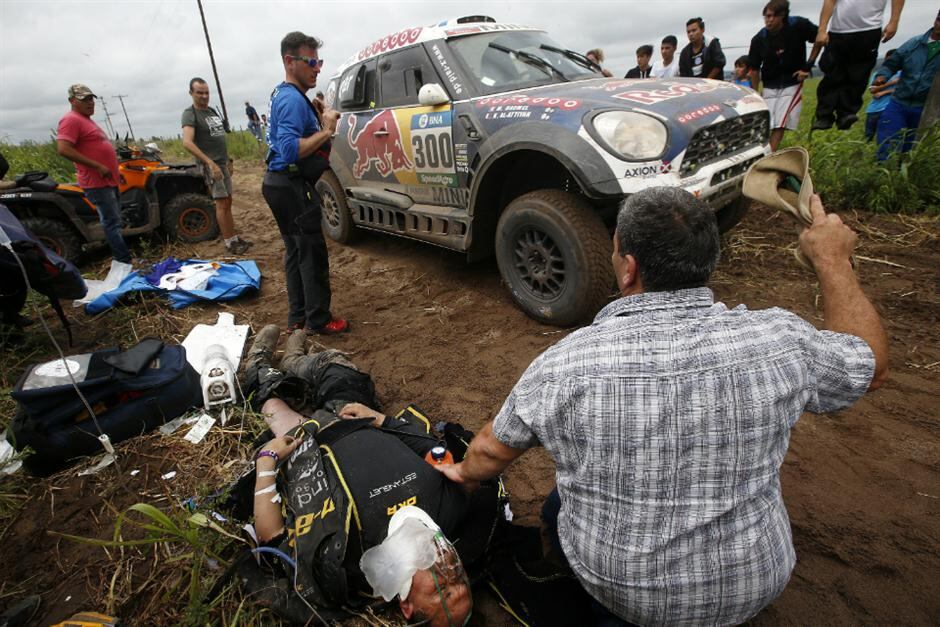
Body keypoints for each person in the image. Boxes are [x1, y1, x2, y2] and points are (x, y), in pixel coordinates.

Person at [436, 186, 888, 625]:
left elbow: (493, 452)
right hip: (754, 584)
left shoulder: (565, 364)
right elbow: (869, 362)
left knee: (557, 509)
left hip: (631, 601)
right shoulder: (780, 341)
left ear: (628, 268)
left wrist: (459, 474)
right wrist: (832, 259)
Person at [241, 325, 485, 626]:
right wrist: (382, 419)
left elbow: (273, 537)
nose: (449, 571)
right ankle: (294, 360)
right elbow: (433, 448)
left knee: (268, 397)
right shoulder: (451, 510)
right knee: (339, 368)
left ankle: (259, 365)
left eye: (442, 591)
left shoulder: (350, 564)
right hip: (353, 419)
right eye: (461, 582)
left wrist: (267, 460)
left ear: (406, 605)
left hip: (304, 439)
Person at [263, 32, 347, 334]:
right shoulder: (291, 100)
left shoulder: (286, 95)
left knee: (296, 252)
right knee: (312, 252)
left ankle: (297, 317)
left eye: (319, 61)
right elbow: (288, 150)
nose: (317, 68)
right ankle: (319, 320)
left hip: (279, 184)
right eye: (310, 61)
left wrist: (317, 114)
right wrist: (327, 130)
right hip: (291, 185)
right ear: (289, 61)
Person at [55, 84, 132, 264]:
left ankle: (123, 258)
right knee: (111, 223)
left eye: (91, 99)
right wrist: (97, 166)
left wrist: (115, 172)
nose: (90, 103)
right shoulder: (71, 120)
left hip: (108, 180)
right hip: (97, 183)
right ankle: (123, 261)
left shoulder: (86, 120)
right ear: (72, 101)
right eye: (84, 99)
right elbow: (63, 149)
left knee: (115, 221)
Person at [182, 78, 253, 255]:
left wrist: (228, 160)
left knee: (228, 201)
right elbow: (187, 142)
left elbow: (218, 137)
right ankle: (229, 242)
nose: (204, 96)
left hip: (222, 163)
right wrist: (210, 163)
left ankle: (234, 237)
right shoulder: (190, 114)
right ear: (191, 93)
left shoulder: (212, 111)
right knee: (221, 203)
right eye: (199, 92)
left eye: (206, 92)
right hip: (211, 165)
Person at [813, 0, 906, 131]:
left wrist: (894, 21)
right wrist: (822, 29)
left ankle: (846, 114)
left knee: (859, 75)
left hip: (869, 29)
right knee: (832, 73)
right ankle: (824, 116)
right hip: (839, 30)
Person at [747, 0, 822, 150]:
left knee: (780, 122)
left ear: (782, 15)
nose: (769, 20)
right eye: (766, 16)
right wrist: (755, 93)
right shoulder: (759, 39)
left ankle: (769, 155)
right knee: (765, 121)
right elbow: (754, 69)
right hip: (769, 83)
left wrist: (807, 67)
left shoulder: (798, 25)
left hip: (792, 81)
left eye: (772, 16)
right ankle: (758, 150)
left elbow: (821, 38)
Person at [873, 11, 940, 161]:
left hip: (925, 108)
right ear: (935, 20)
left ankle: (905, 176)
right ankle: (883, 176)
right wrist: (882, 76)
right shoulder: (913, 44)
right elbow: (891, 64)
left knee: (913, 147)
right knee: (887, 140)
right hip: (899, 103)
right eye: (939, 20)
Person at [864, 48, 900, 141]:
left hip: (890, 109)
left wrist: (883, 92)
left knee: (886, 137)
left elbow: (903, 89)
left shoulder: (902, 73)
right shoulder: (878, 74)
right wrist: (891, 84)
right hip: (874, 110)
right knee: (868, 136)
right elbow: (873, 91)